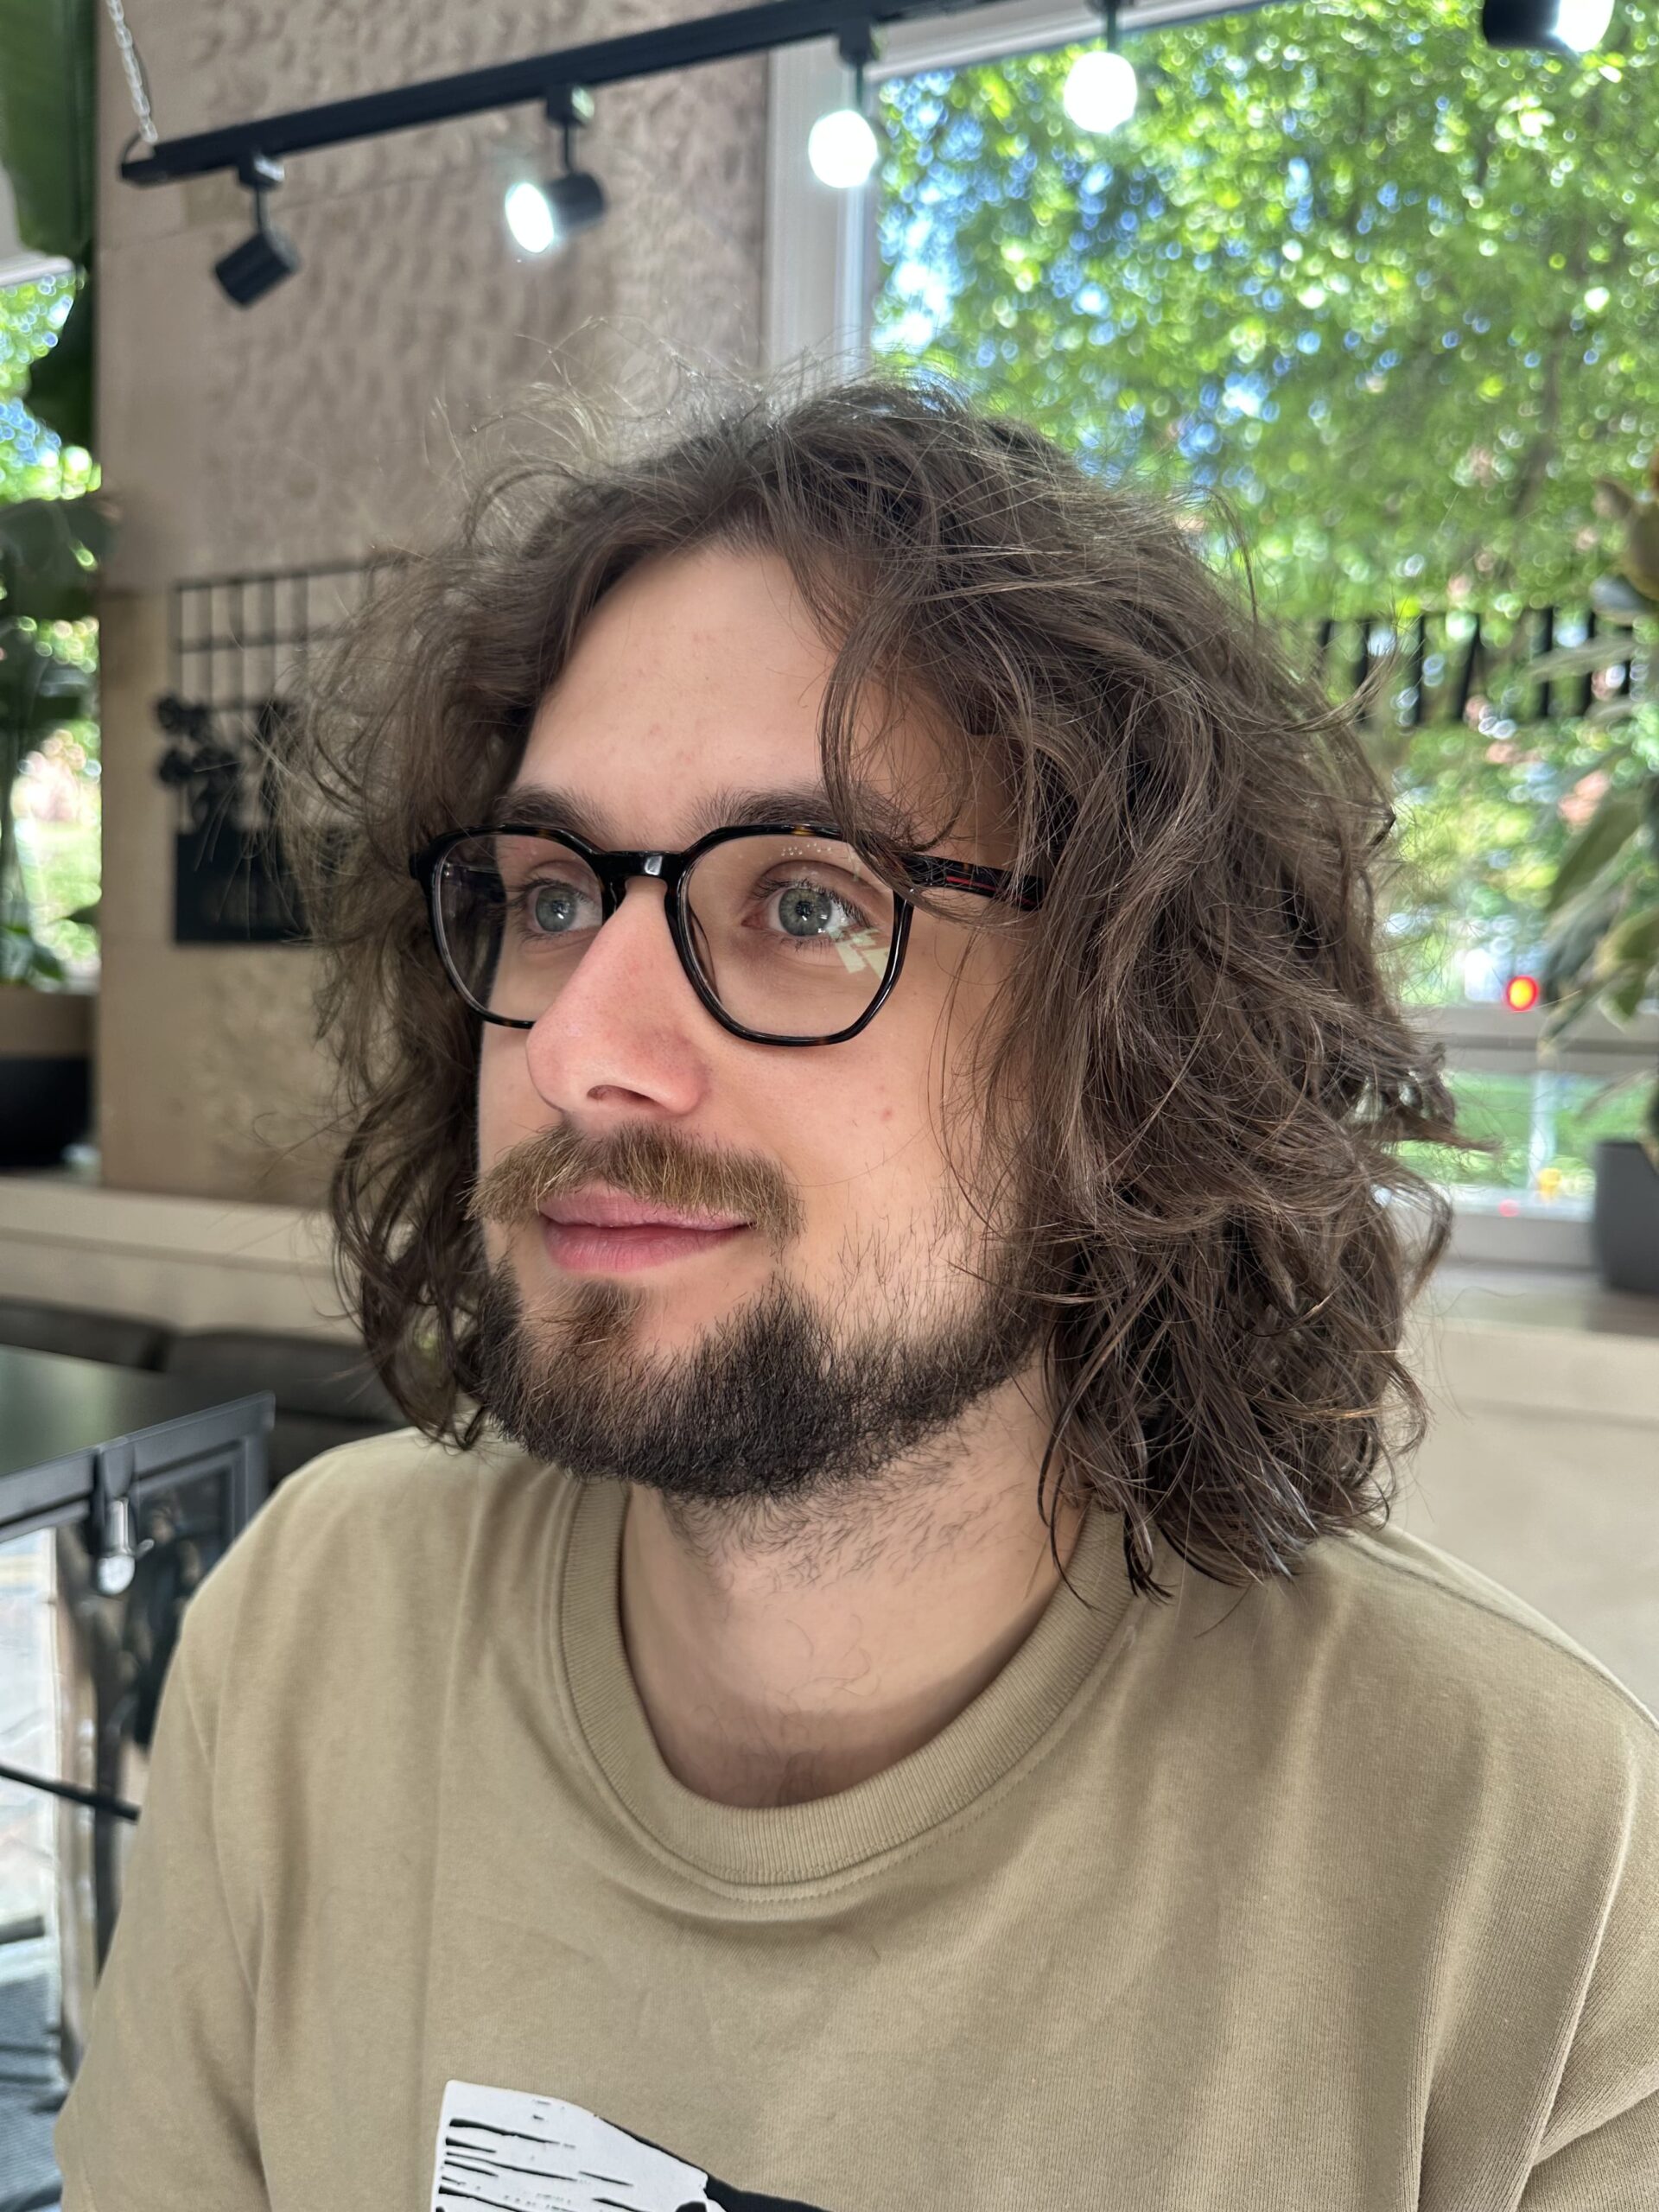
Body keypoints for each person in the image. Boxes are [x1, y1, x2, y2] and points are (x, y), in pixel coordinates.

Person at [58, 372, 1657, 2210]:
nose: (582, 1046)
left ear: (1130, 1045)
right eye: (553, 895)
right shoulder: (316, 1632)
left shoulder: (1527, 1870)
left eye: (806, 900)